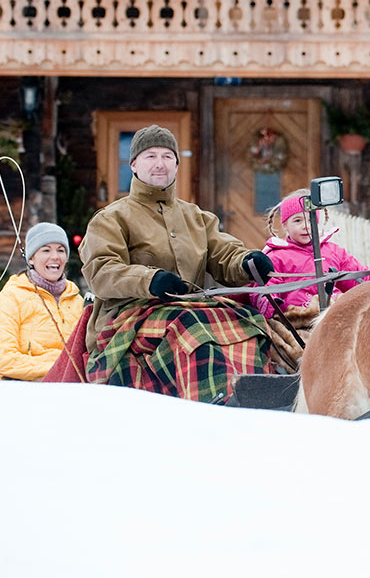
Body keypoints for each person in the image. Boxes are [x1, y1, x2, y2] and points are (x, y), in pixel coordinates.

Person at [79, 124, 275, 402]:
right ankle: (211, 401)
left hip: (188, 308)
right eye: (150, 156)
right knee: (191, 327)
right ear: (134, 165)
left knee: (248, 320)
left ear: (176, 165)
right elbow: (102, 271)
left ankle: (252, 398)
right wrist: (149, 280)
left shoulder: (196, 216)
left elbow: (222, 252)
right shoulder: (111, 218)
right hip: (129, 315)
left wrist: (245, 262)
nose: (160, 164)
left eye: (167, 157)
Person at [250, 189, 370, 320]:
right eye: (297, 221)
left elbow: (360, 276)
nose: (306, 226)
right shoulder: (277, 256)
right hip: (299, 319)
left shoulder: (333, 251)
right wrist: (269, 303)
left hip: (335, 314)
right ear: (285, 226)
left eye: (310, 220)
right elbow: (266, 286)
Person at [0, 222, 85, 381]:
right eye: (46, 250)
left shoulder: (75, 298)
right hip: (28, 383)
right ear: (31, 259)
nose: (55, 256)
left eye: (61, 250)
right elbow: (5, 360)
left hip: (73, 381)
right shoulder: (12, 296)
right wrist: (60, 368)